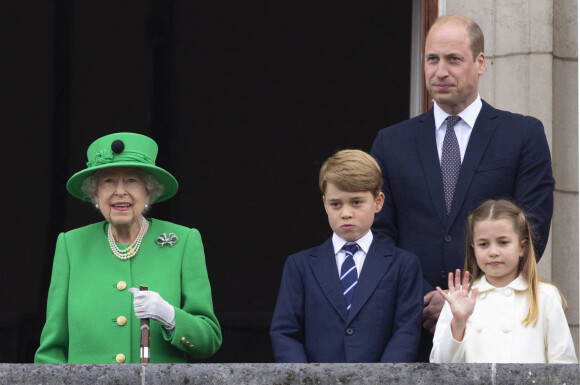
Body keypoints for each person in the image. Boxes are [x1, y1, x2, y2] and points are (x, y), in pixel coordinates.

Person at [370, 14, 554, 361]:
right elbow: (378, 233)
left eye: (453, 59)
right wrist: (423, 297)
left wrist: (469, 298)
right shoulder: (390, 142)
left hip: (496, 328)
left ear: (479, 62)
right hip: (410, 328)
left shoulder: (522, 136)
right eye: (432, 59)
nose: (440, 71)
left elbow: (532, 228)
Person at [35, 132, 222, 363]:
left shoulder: (183, 242)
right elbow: (52, 350)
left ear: (149, 192)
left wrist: (170, 316)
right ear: (95, 193)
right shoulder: (71, 246)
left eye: (132, 180)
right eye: (108, 181)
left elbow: (209, 341)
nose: (120, 191)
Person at [270, 149, 423, 362]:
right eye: (336, 204)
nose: (346, 213)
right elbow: (285, 332)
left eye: (356, 202)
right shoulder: (300, 266)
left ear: (378, 202)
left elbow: (406, 332)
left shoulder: (404, 265)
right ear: (325, 204)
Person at [430, 199, 577, 363]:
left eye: (503, 242)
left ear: (522, 247)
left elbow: (564, 365)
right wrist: (458, 322)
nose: (493, 252)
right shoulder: (458, 298)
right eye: (484, 244)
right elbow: (440, 368)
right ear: (473, 248)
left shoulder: (545, 296)